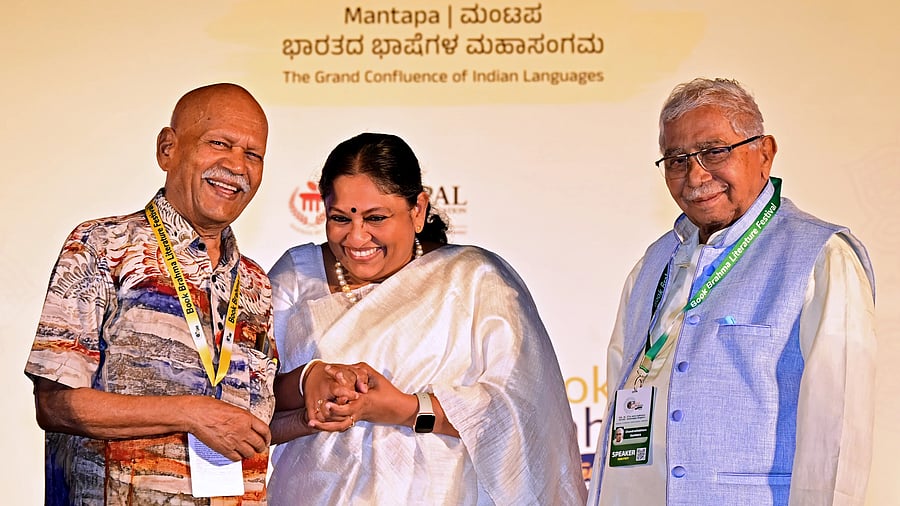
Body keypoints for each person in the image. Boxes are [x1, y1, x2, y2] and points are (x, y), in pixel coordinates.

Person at [586, 77, 876, 505]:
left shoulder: (820, 257)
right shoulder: (653, 264)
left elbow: (838, 435)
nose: (695, 176)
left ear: (764, 153)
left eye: (714, 151)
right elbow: (621, 396)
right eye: (676, 159)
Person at [265, 132, 588, 505]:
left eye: (376, 218)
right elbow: (250, 398)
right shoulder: (294, 277)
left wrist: (404, 408)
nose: (356, 237)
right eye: (340, 218)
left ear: (417, 209)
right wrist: (309, 380)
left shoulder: (474, 278)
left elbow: (524, 412)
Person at [25, 83, 280, 504]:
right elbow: (55, 406)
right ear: (168, 148)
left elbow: (249, 425)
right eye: (220, 144)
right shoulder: (103, 245)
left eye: (253, 154)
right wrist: (189, 412)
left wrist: (315, 411)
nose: (238, 166)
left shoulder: (255, 283)